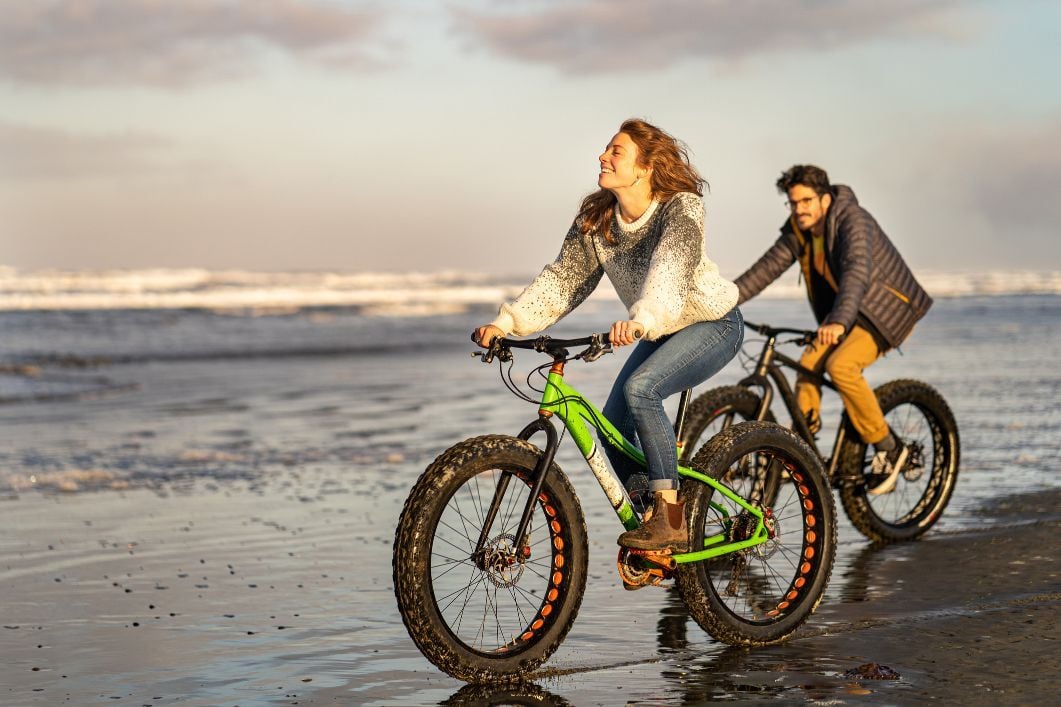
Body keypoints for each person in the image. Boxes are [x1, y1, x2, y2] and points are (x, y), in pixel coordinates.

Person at [473, 119, 743, 555]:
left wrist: (644, 317)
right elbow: (562, 282)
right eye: (606, 150)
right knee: (614, 427)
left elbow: (669, 271)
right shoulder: (598, 220)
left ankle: (670, 518)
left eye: (616, 151)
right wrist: (506, 324)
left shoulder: (681, 209)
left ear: (646, 166)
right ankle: (650, 523)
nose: (603, 156)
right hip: (656, 329)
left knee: (642, 389)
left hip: (713, 324)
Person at [734, 165, 932, 495]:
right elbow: (762, 272)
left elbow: (857, 270)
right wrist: (717, 301)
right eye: (793, 203)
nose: (800, 209)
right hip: (848, 312)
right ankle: (802, 451)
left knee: (841, 366)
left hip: (886, 310)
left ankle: (890, 449)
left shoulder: (854, 220)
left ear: (825, 199)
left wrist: (838, 321)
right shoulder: (799, 233)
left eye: (806, 201)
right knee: (808, 364)